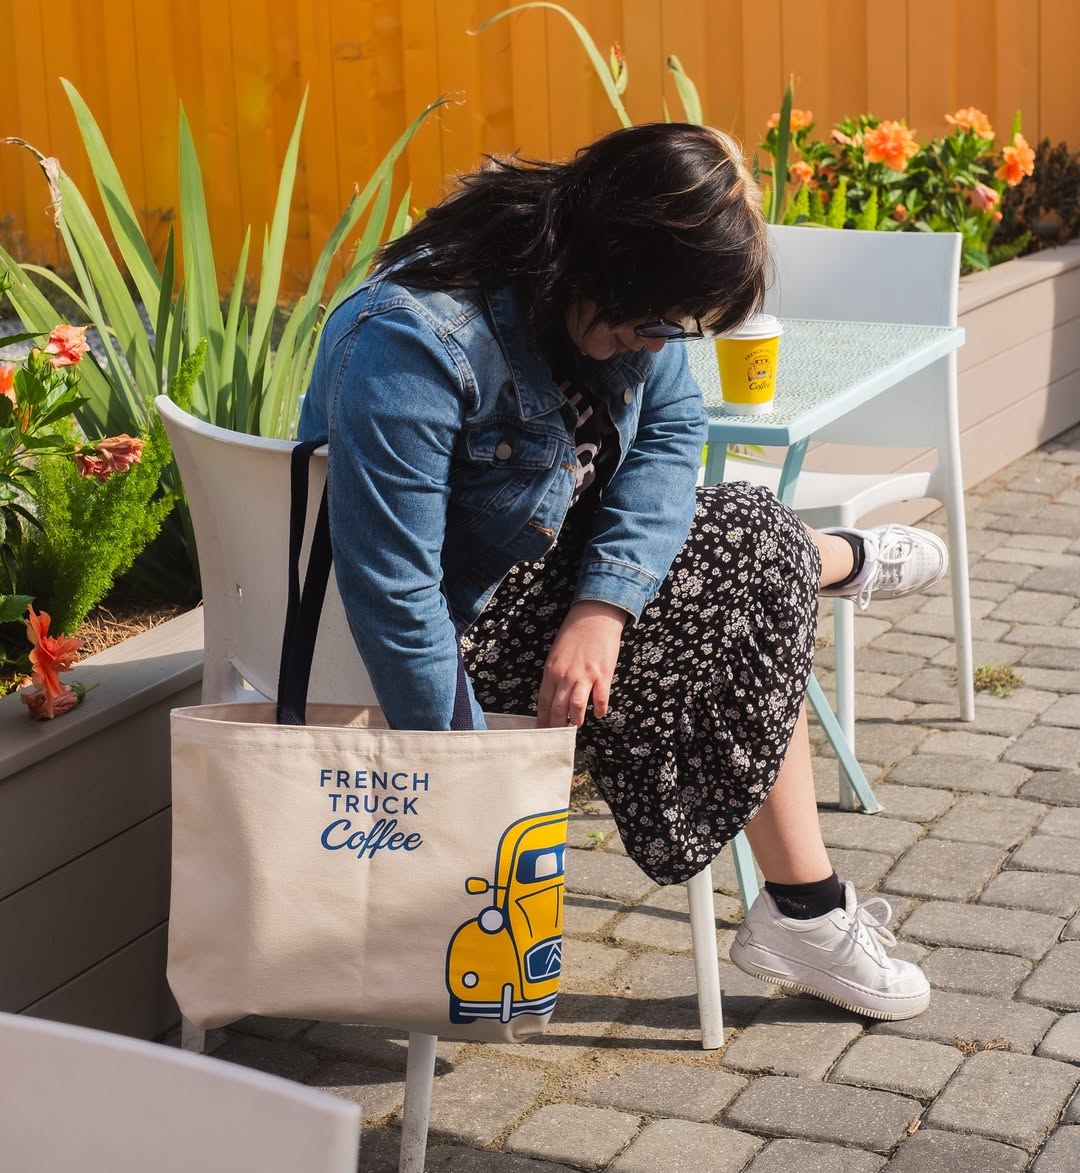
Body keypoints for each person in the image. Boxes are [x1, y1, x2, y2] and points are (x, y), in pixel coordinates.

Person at [299, 122, 945, 1021]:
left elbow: (675, 435)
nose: (658, 346)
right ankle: (836, 570)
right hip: (445, 630)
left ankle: (804, 898)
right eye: (653, 325)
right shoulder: (416, 338)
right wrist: (479, 792)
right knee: (759, 569)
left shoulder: (619, 302)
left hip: (543, 568)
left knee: (752, 555)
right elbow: (396, 593)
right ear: (605, 261)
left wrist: (603, 610)